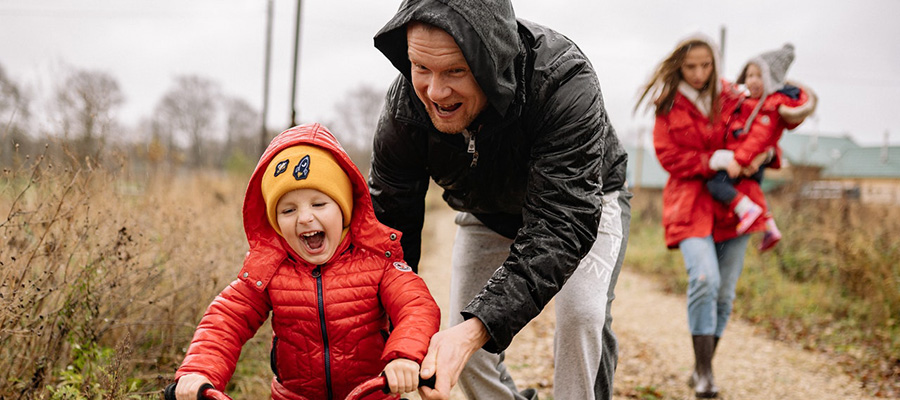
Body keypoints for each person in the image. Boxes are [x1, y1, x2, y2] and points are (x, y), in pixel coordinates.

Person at [369, 1, 630, 399]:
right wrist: (394, 337)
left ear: (492, 61)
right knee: (463, 349)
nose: (435, 92)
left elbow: (560, 225)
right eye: (421, 68)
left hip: (583, 202)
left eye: (455, 70)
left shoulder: (564, 80)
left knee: (581, 316)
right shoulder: (405, 110)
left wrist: (478, 328)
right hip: (487, 212)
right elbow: (390, 236)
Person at [171, 123, 441, 400]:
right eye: (288, 210)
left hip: (371, 394)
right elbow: (226, 320)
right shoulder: (270, 268)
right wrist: (199, 371)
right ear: (274, 222)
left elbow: (417, 306)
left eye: (319, 204)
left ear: (345, 208)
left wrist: (404, 355)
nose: (304, 218)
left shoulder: (377, 259)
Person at [635, 34, 766, 398]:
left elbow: (763, 125)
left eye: (705, 66)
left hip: (733, 203)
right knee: (704, 278)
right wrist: (710, 161)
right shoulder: (668, 104)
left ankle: (701, 367)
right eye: (690, 66)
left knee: (724, 293)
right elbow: (668, 156)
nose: (698, 73)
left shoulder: (731, 95)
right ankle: (706, 374)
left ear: (715, 64)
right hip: (689, 202)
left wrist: (762, 155)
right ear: (679, 65)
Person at [707, 43, 817, 252]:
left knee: (716, 185)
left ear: (771, 80)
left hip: (745, 160)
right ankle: (769, 226)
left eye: (759, 76)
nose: (752, 81)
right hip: (747, 159)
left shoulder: (768, 107)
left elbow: (758, 138)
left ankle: (746, 210)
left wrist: (739, 161)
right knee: (751, 190)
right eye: (749, 75)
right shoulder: (748, 103)